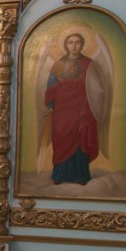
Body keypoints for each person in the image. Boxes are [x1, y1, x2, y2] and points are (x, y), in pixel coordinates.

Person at [43, 33, 102, 185]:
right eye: (70, 42)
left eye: (77, 42)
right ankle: (60, 174)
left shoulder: (89, 64)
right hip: (62, 108)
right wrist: (50, 105)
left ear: (82, 45)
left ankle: (81, 175)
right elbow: (51, 85)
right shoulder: (58, 64)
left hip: (82, 108)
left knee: (80, 138)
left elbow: (96, 87)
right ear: (66, 45)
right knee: (61, 137)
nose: (74, 46)